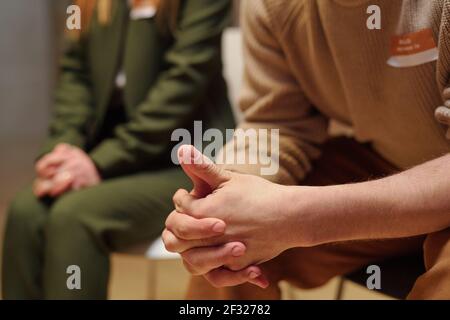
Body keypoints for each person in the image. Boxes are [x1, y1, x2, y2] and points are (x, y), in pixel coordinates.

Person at [162, 0, 450, 299]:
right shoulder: (271, 7)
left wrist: (295, 218)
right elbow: (278, 121)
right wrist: (229, 194)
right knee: (225, 249)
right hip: (388, 162)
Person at [2, 0, 234, 299]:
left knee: (75, 216)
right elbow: (76, 77)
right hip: (114, 162)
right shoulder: (88, 6)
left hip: (188, 165)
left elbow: (183, 83)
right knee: (25, 212)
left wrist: (98, 164)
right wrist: (63, 150)